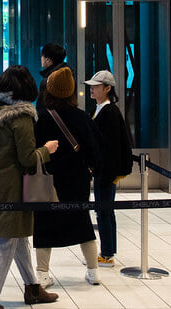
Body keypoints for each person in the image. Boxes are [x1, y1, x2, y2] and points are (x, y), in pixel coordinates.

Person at [0, 65, 60, 309]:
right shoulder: (20, 117)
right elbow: (28, 159)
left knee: (18, 236)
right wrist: (47, 150)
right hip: (12, 187)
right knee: (7, 241)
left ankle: (33, 288)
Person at [33, 66, 104, 285]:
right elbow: (96, 149)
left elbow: (33, 149)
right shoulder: (82, 117)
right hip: (77, 179)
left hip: (47, 180)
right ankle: (93, 272)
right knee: (82, 222)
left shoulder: (42, 118)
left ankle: (43, 274)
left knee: (44, 224)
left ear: (49, 91)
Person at [84, 70, 133, 267]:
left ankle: (106, 253)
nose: (92, 89)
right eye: (92, 86)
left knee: (104, 211)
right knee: (105, 211)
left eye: (96, 86)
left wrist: (102, 172)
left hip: (106, 172)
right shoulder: (100, 109)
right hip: (102, 170)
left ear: (107, 88)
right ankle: (108, 251)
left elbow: (110, 147)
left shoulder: (109, 112)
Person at [36, 42, 69, 110]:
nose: (41, 58)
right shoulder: (69, 75)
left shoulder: (49, 80)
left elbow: (41, 106)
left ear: (48, 60)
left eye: (42, 56)